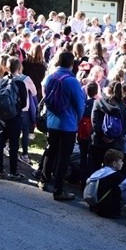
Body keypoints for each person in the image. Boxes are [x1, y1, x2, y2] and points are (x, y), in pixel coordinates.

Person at [40, 51, 85, 202]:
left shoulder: (51, 77)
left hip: (52, 121)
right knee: (64, 156)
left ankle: (44, 179)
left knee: (51, 150)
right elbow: (79, 104)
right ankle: (59, 189)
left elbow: (45, 95)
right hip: (68, 123)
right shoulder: (72, 82)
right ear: (72, 64)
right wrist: (77, 119)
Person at [0, 57, 27, 180]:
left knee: (0, 142)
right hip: (15, 115)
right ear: (19, 68)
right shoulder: (20, 82)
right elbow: (24, 102)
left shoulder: (2, 80)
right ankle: (13, 171)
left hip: (2, 115)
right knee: (13, 145)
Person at [84, 149, 126, 218]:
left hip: (94, 205)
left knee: (124, 186)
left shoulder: (101, 171)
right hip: (106, 210)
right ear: (114, 163)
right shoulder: (115, 175)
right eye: (121, 161)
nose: (123, 163)